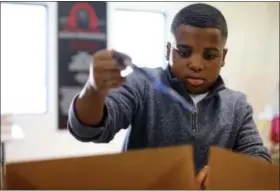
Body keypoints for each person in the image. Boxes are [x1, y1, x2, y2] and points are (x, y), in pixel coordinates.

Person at [68, 3, 271, 188]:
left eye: (209, 56)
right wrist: (94, 90)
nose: (196, 64)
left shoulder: (237, 106)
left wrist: (229, 173)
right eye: (184, 52)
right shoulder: (142, 85)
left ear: (223, 57)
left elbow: (259, 160)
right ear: (168, 51)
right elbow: (88, 130)